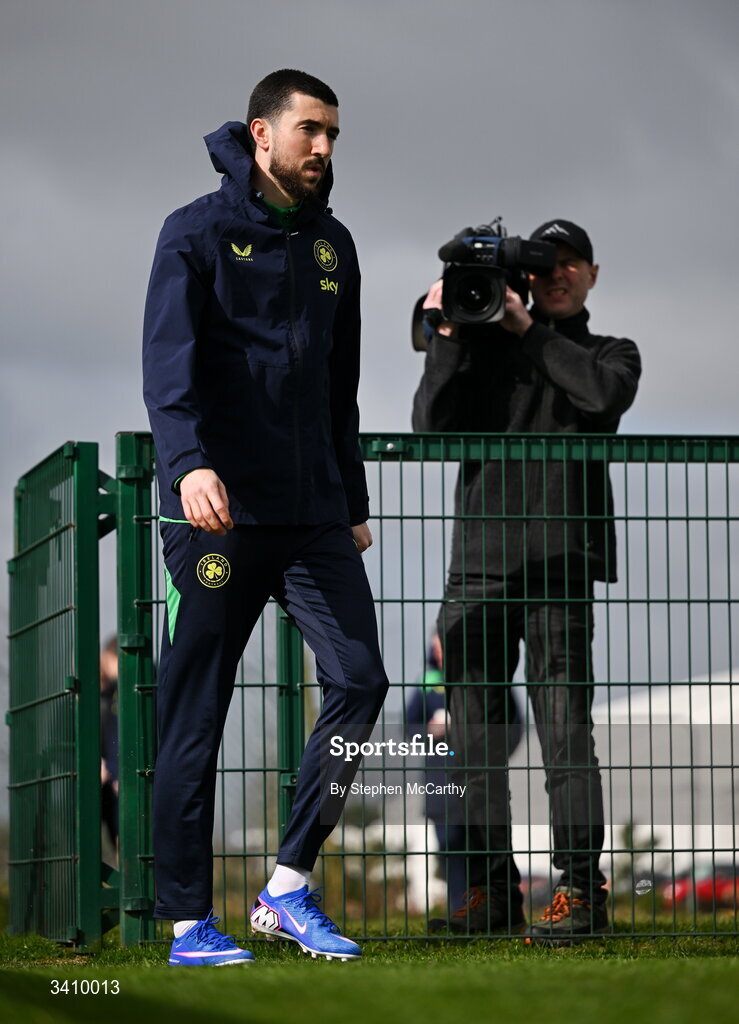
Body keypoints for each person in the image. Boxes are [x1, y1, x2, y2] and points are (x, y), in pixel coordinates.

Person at [143, 68, 389, 966]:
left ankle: (286, 885)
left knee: (361, 680)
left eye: (332, 135)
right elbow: (166, 371)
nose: (323, 149)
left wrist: (351, 500)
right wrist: (188, 468)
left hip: (313, 515)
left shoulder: (334, 246)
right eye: (309, 131)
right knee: (195, 716)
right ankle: (186, 925)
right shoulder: (194, 233)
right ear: (260, 133)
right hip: (216, 516)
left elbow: (339, 388)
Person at [412, 219, 641, 944]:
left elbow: (600, 399)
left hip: (559, 564)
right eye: (545, 268)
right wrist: (449, 333)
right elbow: (429, 429)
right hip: (476, 564)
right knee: (474, 739)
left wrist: (526, 330)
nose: (557, 276)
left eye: (570, 265)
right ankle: (487, 890)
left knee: (565, 732)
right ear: (525, 278)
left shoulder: (610, 353)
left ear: (592, 275)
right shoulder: (484, 350)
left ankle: (579, 890)